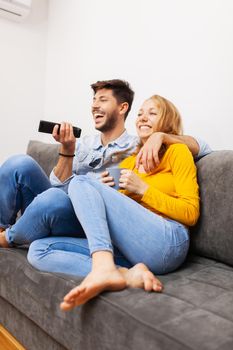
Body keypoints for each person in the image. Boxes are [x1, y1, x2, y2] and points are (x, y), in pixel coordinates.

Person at [2, 93, 200, 312]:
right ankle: (123, 274)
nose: (143, 118)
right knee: (39, 250)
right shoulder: (130, 161)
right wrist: (105, 189)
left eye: (152, 113)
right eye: (141, 113)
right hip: (129, 248)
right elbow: (115, 214)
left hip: (167, 241)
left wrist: (144, 190)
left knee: (81, 181)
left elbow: (190, 213)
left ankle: (102, 266)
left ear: (167, 122)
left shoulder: (177, 151)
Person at [0, 79, 210, 248]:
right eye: (93, 100)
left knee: (57, 197)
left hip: (90, 220)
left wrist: (161, 137)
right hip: (59, 203)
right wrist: (67, 151)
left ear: (122, 108)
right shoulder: (82, 143)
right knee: (19, 164)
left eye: (102, 100)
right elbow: (55, 189)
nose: (94, 106)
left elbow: (203, 147)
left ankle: (12, 236)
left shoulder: (139, 145)